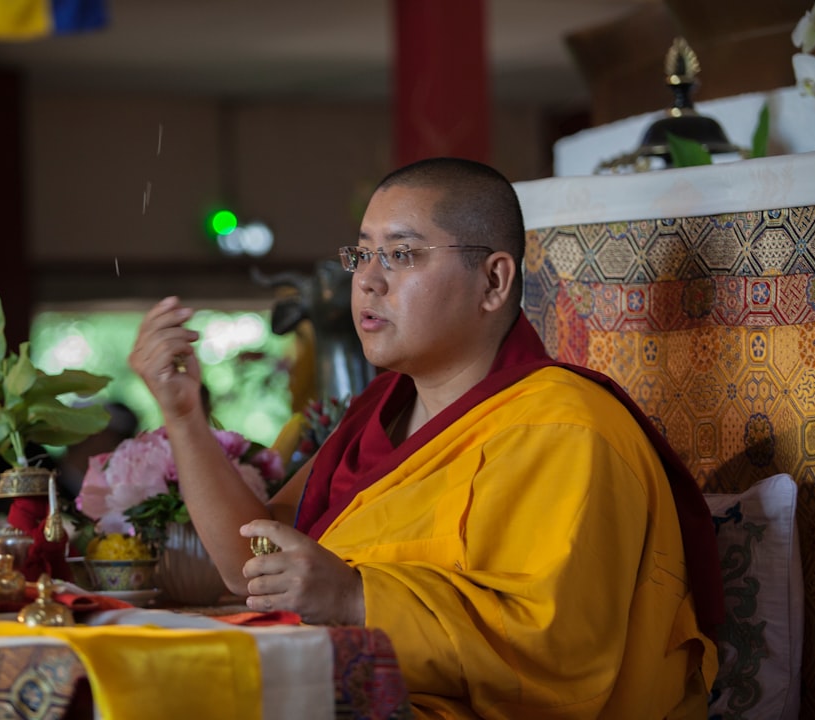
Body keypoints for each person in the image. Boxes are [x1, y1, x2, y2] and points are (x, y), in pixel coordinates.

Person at [129, 157, 722, 718]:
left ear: (493, 280)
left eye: (402, 254)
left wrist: (356, 599)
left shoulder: (566, 426)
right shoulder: (377, 415)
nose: (368, 281)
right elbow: (248, 566)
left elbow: (560, 657)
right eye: (362, 254)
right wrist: (183, 416)